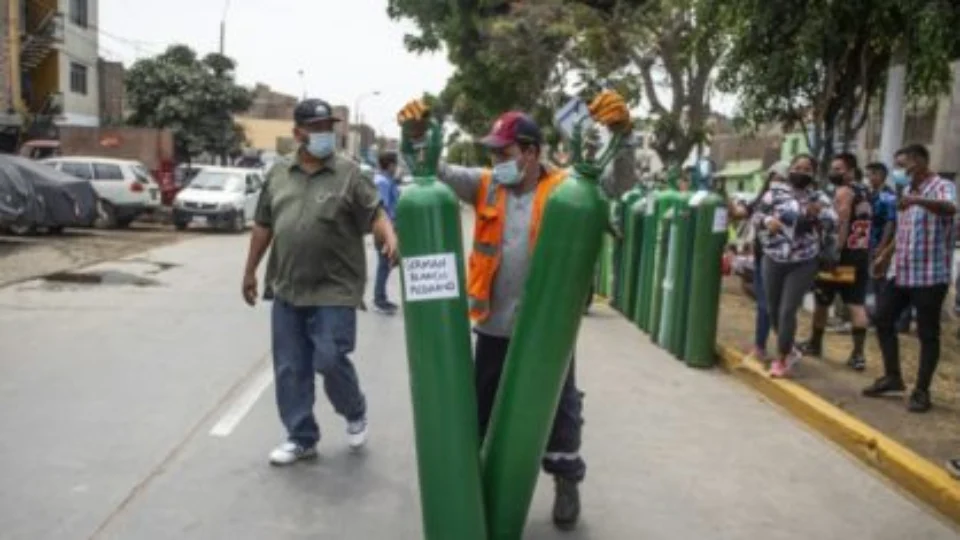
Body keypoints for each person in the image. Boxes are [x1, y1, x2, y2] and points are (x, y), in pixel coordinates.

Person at [396, 90, 635, 531]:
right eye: (494, 153)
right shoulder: (486, 183)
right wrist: (413, 137)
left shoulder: (565, 189)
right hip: (493, 324)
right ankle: (484, 497)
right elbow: (432, 172)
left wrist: (623, 136)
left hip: (544, 332)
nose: (497, 160)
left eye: (504, 152)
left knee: (560, 414)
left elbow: (619, 185)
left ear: (531, 152)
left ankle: (566, 480)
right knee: (480, 411)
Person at [242, 98, 399, 465]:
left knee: (329, 359)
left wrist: (388, 235)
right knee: (290, 366)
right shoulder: (278, 173)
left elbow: (375, 212)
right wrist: (250, 271)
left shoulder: (349, 173)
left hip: (335, 288)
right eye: (316, 129)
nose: (324, 135)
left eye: (328, 128)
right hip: (288, 285)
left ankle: (354, 409)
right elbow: (263, 224)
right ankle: (301, 436)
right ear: (297, 133)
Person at [863, 144, 956, 413]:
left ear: (919, 162)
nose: (899, 172)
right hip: (901, 271)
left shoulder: (941, 185)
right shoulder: (907, 191)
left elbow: (950, 208)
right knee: (882, 319)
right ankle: (893, 377)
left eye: (903, 165)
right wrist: (885, 256)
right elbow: (903, 231)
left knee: (927, 334)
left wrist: (918, 201)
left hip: (930, 274)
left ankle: (922, 391)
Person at [752, 154, 838, 377]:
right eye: (797, 167)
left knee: (787, 309)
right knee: (772, 309)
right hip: (773, 256)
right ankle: (789, 348)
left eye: (807, 168)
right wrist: (767, 221)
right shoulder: (775, 193)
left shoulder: (820, 198)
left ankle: (781, 359)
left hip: (803, 260)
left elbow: (832, 223)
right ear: (790, 170)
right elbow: (756, 215)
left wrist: (816, 216)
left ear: (813, 173)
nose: (801, 171)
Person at [797, 153, 872, 371]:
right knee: (856, 304)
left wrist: (834, 252)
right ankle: (858, 355)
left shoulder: (844, 192)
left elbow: (842, 222)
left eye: (838, 169)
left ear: (850, 171)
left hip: (842, 257)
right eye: (833, 168)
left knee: (822, 299)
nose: (833, 173)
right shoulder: (864, 191)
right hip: (860, 255)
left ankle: (815, 343)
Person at [730, 161, 787, 363]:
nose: (776, 182)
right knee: (766, 302)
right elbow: (740, 213)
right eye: (774, 177)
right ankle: (772, 345)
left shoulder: (789, 202)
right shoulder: (763, 200)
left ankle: (774, 347)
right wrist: (726, 200)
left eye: (781, 178)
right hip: (763, 257)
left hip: (781, 259)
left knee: (769, 304)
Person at [863, 162, 898, 319]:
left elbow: (891, 222)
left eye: (870, 175)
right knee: (870, 280)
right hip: (867, 242)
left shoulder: (888, 196)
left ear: (879, 175)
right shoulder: (872, 194)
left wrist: (882, 247)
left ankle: (877, 315)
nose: (867, 178)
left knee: (878, 281)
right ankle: (870, 313)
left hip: (879, 244)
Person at [372, 151, 401, 314]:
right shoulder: (382, 182)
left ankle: (380, 297)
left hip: (390, 228)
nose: (396, 167)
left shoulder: (388, 181)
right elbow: (381, 208)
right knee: (384, 264)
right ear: (390, 165)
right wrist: (389, 233)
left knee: (388, 264)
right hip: (385, 229)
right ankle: (379, 300)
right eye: (395, 164)